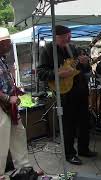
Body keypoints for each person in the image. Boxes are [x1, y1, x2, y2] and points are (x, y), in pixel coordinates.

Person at [37, 25, 97, 165]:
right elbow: (41, 73)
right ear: (56, 37)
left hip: (81, 90)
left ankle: (83, 149)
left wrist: (84, 63)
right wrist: (57, 74)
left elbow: (83, 69)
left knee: (84, 122)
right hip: (64, 93)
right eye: (66, 36)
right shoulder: (47, 50)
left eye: (70, 35)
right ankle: (69, 154)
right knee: (68, 125)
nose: (69, 38)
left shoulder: (73, 48)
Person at [0, 27, 31, 176]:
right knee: (2, 140)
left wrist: (15, 90)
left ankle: (23, 168)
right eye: (7, 42)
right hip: (2, 105)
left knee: (18, 133)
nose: (10, 44)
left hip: (8, 104)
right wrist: (7, 98)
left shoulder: (2, 59)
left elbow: (5, 81)